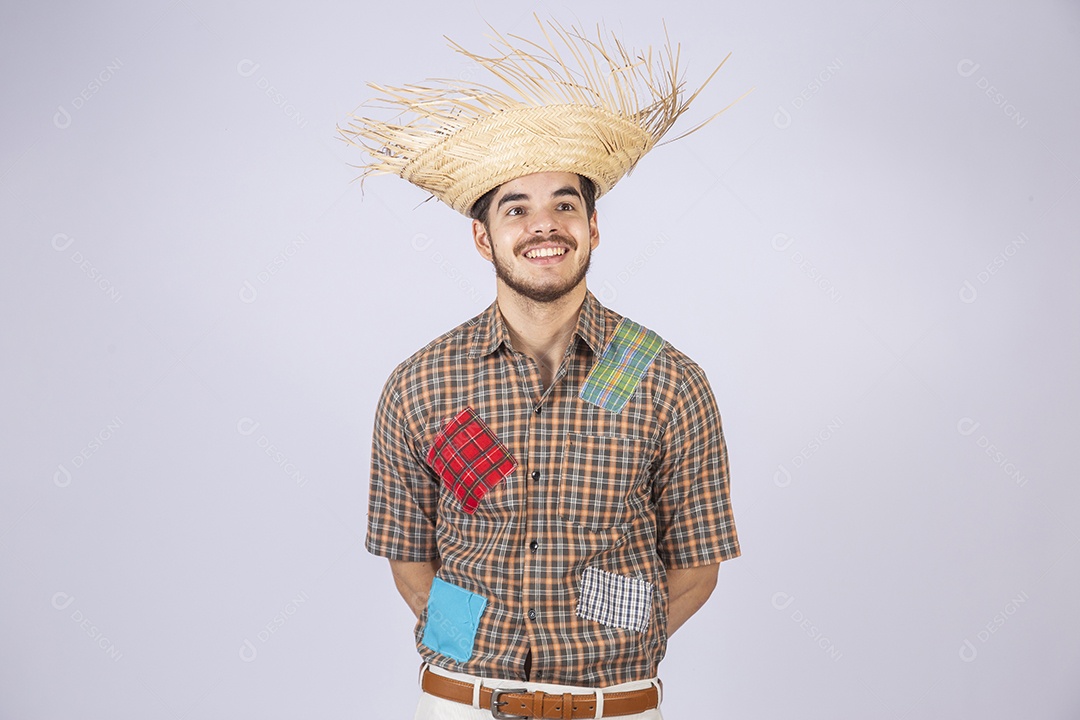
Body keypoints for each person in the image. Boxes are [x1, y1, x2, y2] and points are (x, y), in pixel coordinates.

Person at [340, 17, 741, 719]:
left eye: (565, 204)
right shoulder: (423, 384)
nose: (543, 225)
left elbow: (697, 564)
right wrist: (476, 662)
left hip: (613, 708)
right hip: (461, 704)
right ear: (482, 236)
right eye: (516, 208)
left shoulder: (664, 379)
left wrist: (603, 649)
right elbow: (409, 559)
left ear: (593, 226)